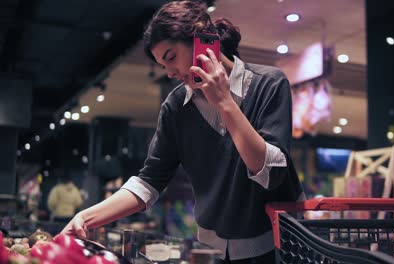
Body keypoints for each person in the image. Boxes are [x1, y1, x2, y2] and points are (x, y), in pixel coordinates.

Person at [62, 1, 304, 262]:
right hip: (216, 252)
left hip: (281, 248)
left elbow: (271, 173)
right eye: (163, 65)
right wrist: (85, 217)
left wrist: (224, 102)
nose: (169, 72)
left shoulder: (268, 84)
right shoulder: (176, 107)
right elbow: (149, 181)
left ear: (202, 39)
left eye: (171, 57)